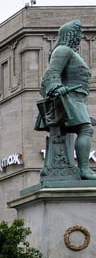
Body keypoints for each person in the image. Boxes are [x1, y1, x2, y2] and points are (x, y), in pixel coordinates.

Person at [37, 19, 96, 180]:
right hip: (68, 98)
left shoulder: (70, 52)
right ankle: (84, 169)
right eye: (78, 33)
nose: (80, 36)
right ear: (71, 34)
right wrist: (56, 87)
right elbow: (51, 73)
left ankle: (70, 168)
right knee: (86, 129)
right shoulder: (63, 50)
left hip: (76, 99)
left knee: (83, 129)